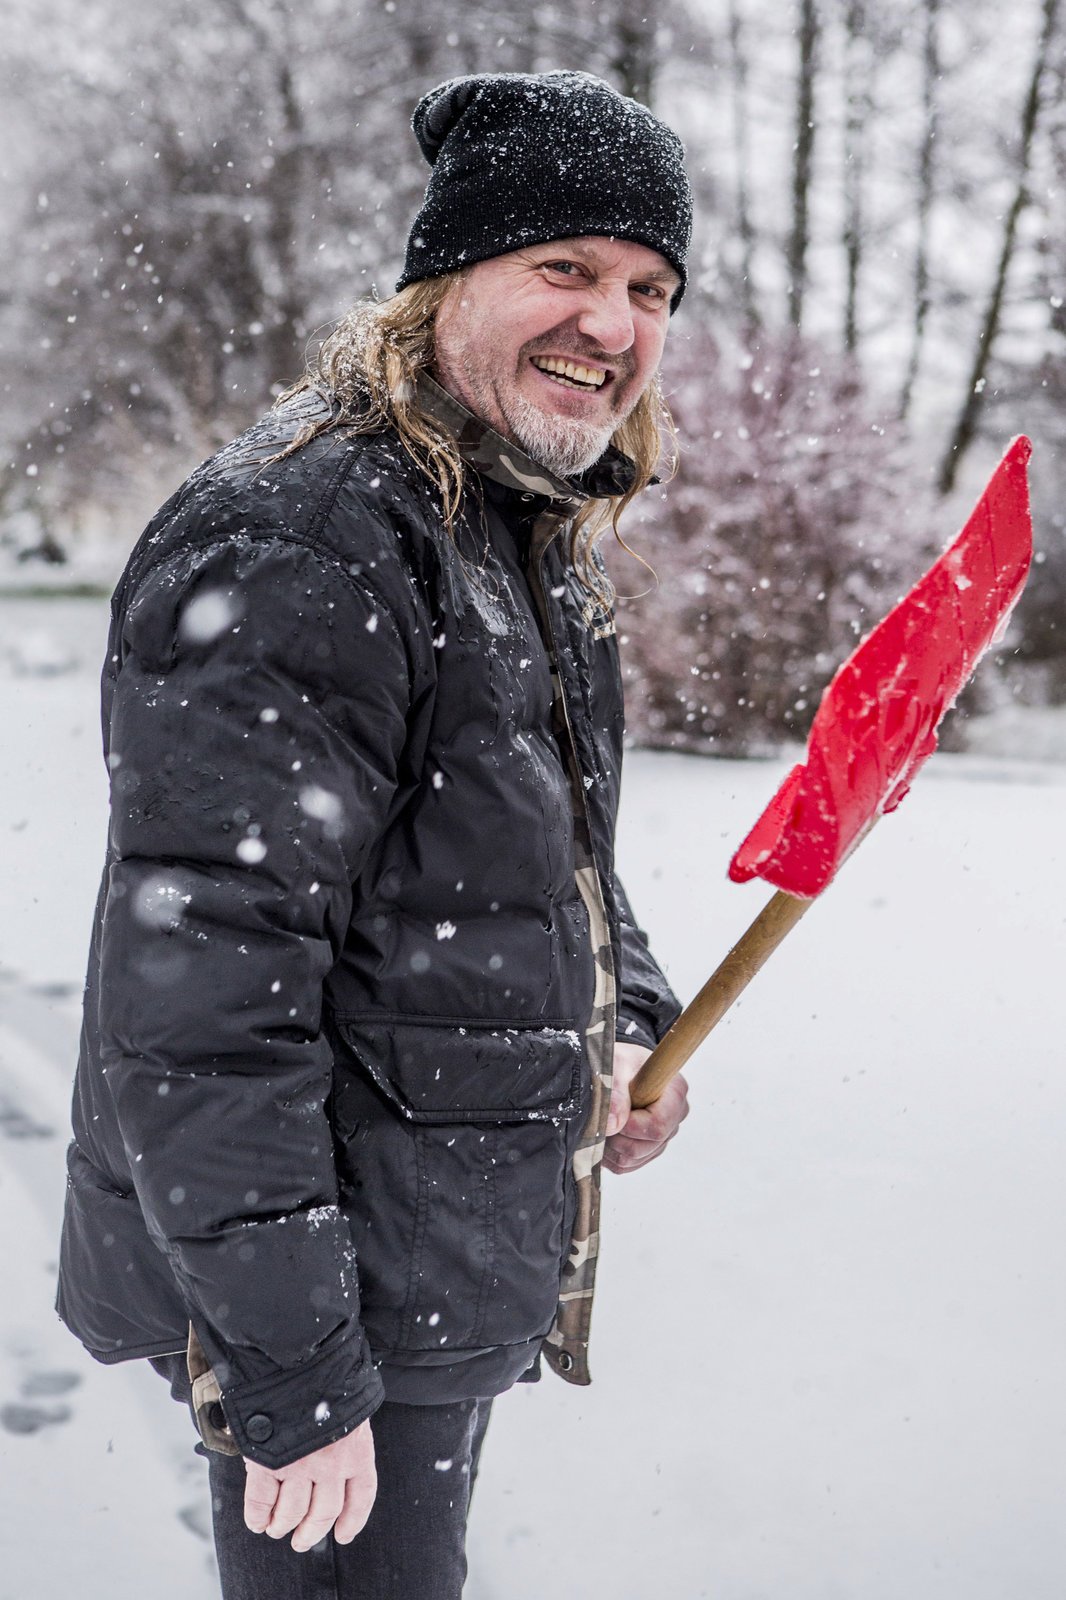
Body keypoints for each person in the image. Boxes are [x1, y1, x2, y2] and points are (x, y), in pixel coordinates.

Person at [57, 69, 693, 1598]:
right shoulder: (309, 536)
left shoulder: (509, 531)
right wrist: (292, 1374)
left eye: (647, 286)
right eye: (563, 268)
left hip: (421, 1262)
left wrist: (623, 1016)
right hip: (317, 1293)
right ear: (443, 282)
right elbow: (203, 998)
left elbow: (548, 863)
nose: (611, 323)